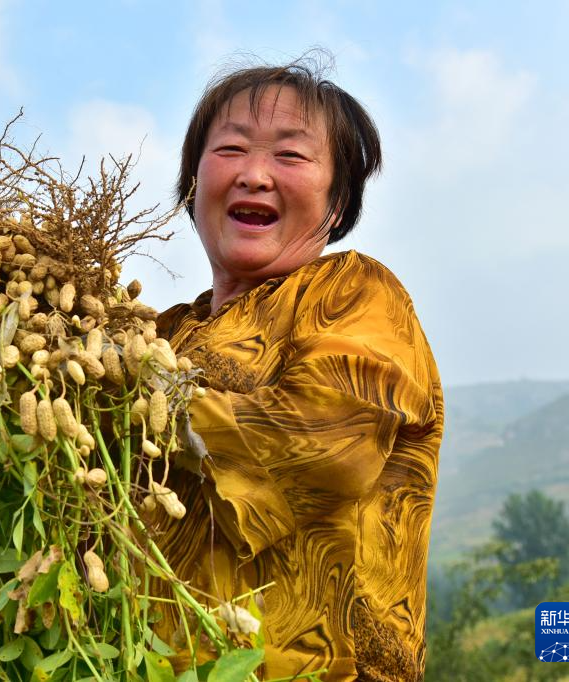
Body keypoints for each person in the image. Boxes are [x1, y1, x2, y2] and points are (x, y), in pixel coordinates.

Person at [152, 59, 443, 682]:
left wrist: (140, 405)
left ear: (337, 203)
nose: (254, 174)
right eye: (229, 148)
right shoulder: (158, 336)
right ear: (192, 184)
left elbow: (323, 446)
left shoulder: (356, 296)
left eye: (291, 156)